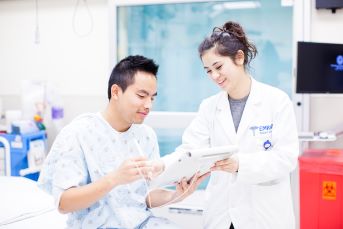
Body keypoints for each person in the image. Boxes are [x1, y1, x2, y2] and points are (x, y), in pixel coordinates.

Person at [38, 55, 207, 229]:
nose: (149, 105)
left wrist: (176, 195)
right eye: (142, 96)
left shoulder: (146, 136)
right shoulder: (78, 134)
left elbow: (144, 196)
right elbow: (64, 203)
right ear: (116, 92)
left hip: (143, 223)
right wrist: (115, 179)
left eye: (152, 98)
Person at [163, 21, 299, 229]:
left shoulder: (276, 101)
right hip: (222, 216)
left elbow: (286, 158)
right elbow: (190, 150)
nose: (214, 76)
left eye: (218, 67)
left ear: (239, 57)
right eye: (208, 71)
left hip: (264, 216)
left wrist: (240, 164)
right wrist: (163, 167)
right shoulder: (209, 107)